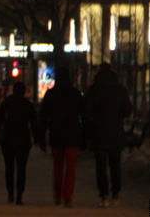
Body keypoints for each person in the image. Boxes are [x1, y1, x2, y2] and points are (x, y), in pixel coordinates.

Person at [84, 62, 133, 207]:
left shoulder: (93, 90)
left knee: (100, 166)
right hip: (115, 132)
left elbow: (86, 111)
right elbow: (127, 110)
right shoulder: (120, 90)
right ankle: (115, 193)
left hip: (98, 131)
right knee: (115, 165)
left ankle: (103, 194)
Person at [38, 66, 84, 208]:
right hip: (72, 135)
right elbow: (84, 116)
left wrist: (41, 137)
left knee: (57, 167)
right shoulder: (75, 94)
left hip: (56, 134)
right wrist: (85, 136)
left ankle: (57, 196)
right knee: (71, 168)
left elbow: (43, 117)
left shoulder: (51, 94)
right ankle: (68, 197)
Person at [0, 81, 39, 204]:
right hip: (23, 140)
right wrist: (36, 139)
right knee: (21, 168)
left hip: (8, 139)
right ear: (24, 91)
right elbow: (34, 123)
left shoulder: (6, 103)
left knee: (9, 168)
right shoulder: (27, 105)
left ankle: (10, 194)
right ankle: (19, 194)